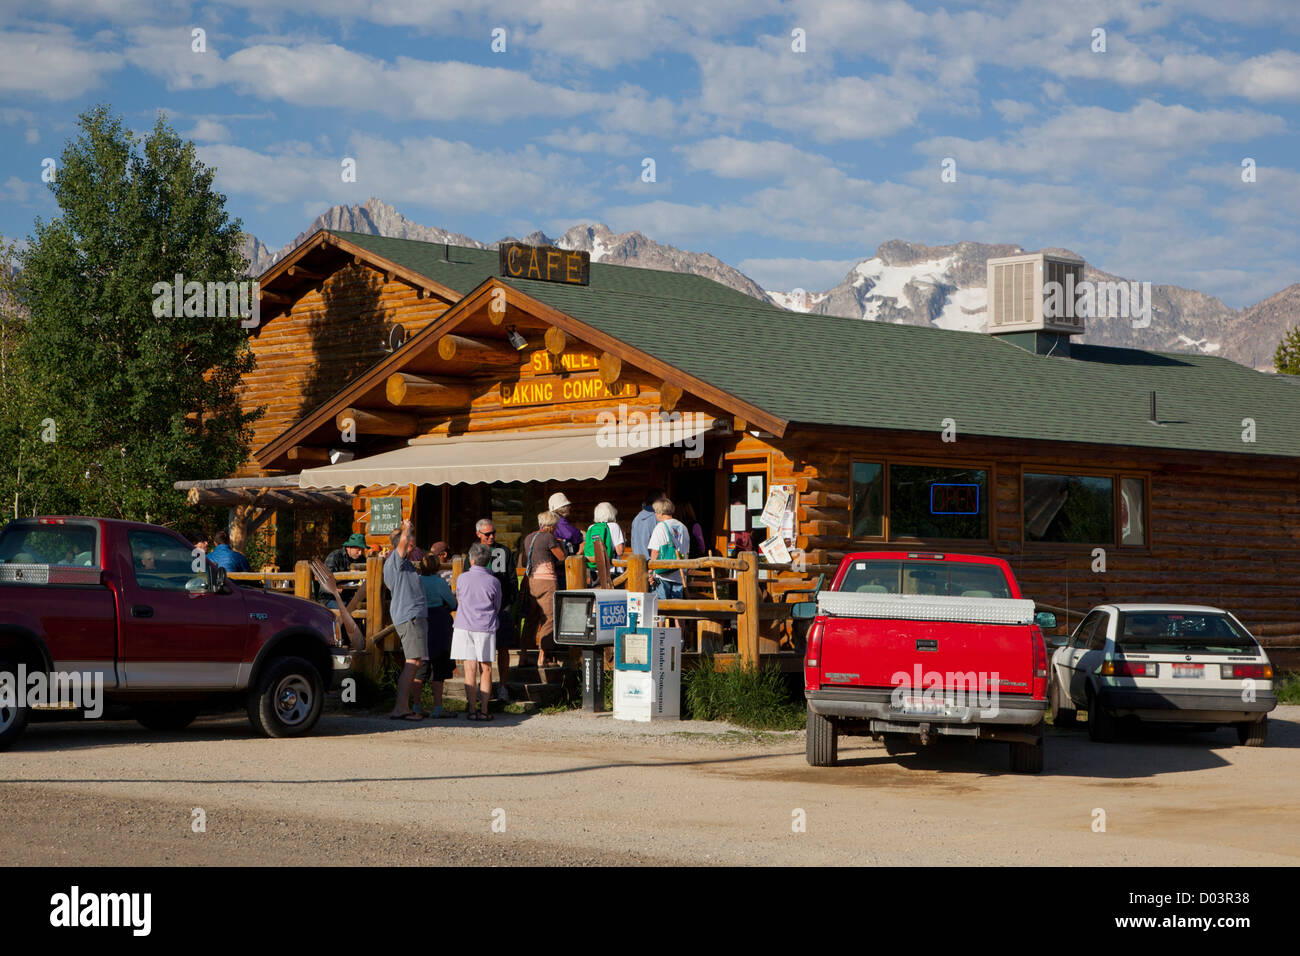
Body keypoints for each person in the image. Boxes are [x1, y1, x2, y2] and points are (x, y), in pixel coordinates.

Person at [469, 518, 519, 702]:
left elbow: (513, 579)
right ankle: (481, 689)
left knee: (503, 646)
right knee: (479, 649)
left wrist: (510, 601)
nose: (491, 537)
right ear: (478, 534)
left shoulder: (503, 551)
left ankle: (503, 687)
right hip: (480, 609)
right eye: (487, 534)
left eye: (493, 533)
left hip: (502, 606)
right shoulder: (472, 553)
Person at [452, 542, 502, 721]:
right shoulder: (494, 581)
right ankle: (485, 710)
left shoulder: (462, 578)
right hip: (485, 626)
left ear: (471, 560)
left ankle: (472, 710)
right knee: (486, 668)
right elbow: (497, 605)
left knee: (469, 668)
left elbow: (459, 598)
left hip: (464, 625)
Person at [383, 521, 427, 721]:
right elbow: (402, 541)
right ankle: (401, 707)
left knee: (414, 662)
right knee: (412, 662)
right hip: (409, 617)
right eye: (410, 543)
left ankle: (404, 706)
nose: (413, 546)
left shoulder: (405, 563)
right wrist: (407, 527)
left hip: (413, 616)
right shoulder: (395, 561)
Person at [413, 542, 457, 719]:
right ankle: (438, 707)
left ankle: (416, 705)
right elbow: (453, 603)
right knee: (439, 667)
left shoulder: (416, 581)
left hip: (421, 621)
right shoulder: (439, 582)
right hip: (438, 622)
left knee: (421, 667)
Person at [518, 510, 567, 669]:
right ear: (552, 525)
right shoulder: (549, 537)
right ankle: (542, 657)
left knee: (531, 620)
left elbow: (525, 561)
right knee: (548, 618)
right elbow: (562, 557)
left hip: (532, 581)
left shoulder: (528, 538)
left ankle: (523, 656)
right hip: (547, 581)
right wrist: (560, 544)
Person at [646, 497, 691, 600]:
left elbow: (655, 552)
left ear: (660, 512)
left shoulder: (660, 527)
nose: (655, 515)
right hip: (680, 575)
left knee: (661, 608)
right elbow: (686, 552)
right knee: (677, 609)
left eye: (655, 512)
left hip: (663, 575)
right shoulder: (683, 527)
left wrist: (651, 572)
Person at [583, 502, 624, 579]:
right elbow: (620, 551)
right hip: (612, 570)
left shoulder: (591, 527)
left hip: (595, 570)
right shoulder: (614, 526)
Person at [630, 489, 662, 559]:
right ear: (658, 502)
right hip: (651, 562)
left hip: (638, 560)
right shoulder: (656, 517)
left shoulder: (637, 518)